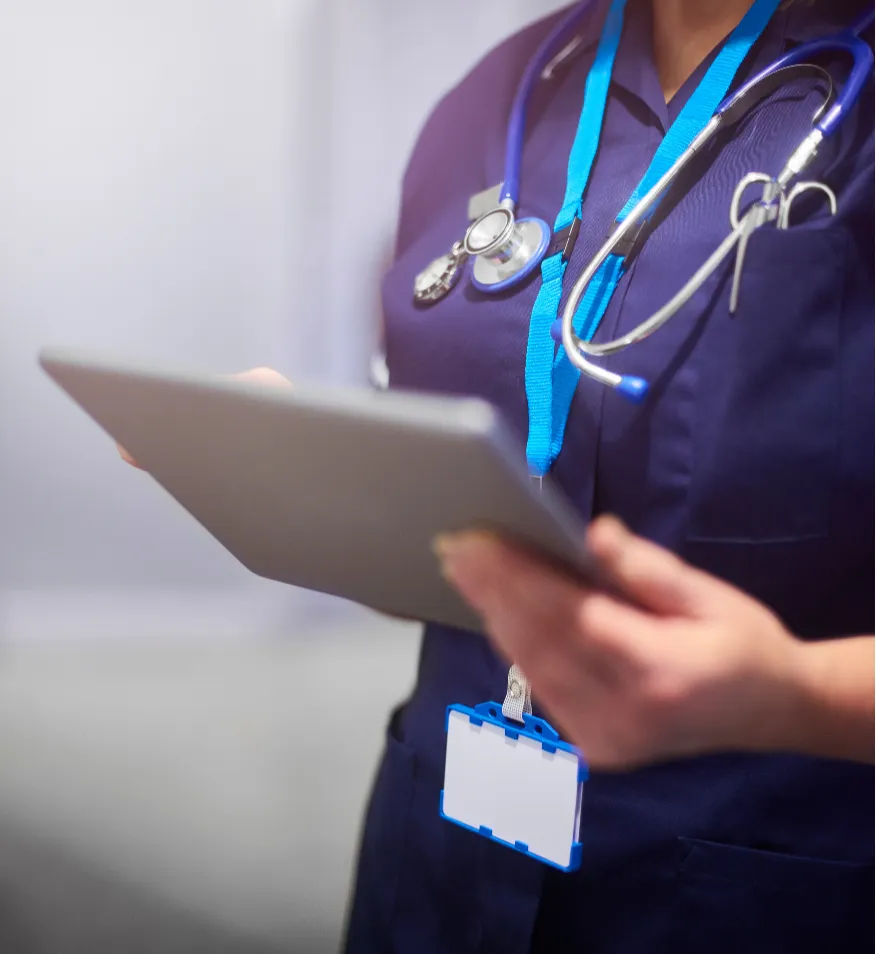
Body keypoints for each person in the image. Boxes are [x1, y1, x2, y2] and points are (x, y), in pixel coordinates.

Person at [123, 0, 875, 950]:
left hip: (750, 879)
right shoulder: (494, 102)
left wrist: (797, 693)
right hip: (439, 851)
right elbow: (439, 558)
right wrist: (299, 488)